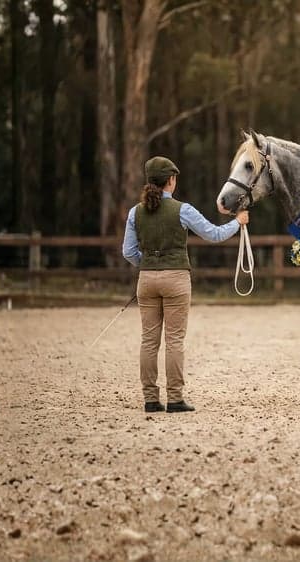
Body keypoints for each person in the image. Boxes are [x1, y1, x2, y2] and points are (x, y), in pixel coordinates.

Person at [122, 156, 249, 413]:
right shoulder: (183, 210)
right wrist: (238, 222)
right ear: (171, 180)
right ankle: (175, 398)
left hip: (146, 280)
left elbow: (128, 252)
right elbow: (214, 234)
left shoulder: (135, 212)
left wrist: (147, 263)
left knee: (148, 341)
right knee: (174, 340)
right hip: (176, 280)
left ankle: (150, 399)